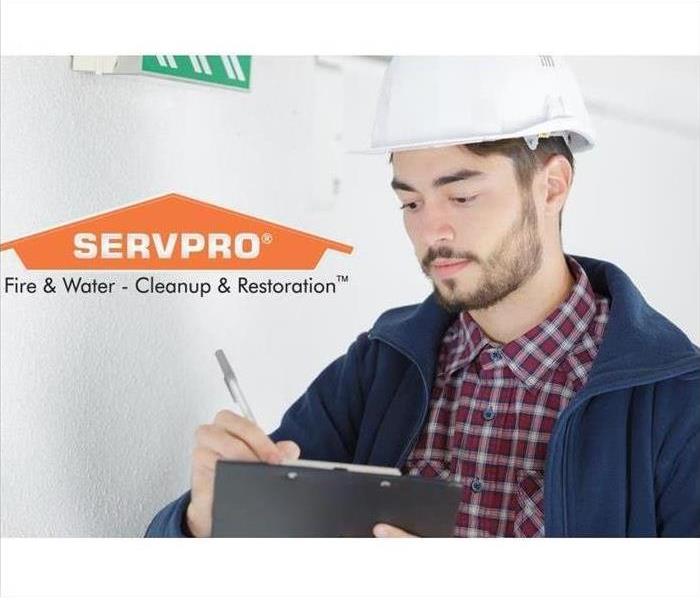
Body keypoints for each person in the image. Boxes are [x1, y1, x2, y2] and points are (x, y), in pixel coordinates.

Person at [146, 56, 700, 538]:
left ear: (551, 186)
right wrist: (206, 522)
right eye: (411, 203)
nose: (432, 231)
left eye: (461, 196)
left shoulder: (674, 403)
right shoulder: (379, 371)